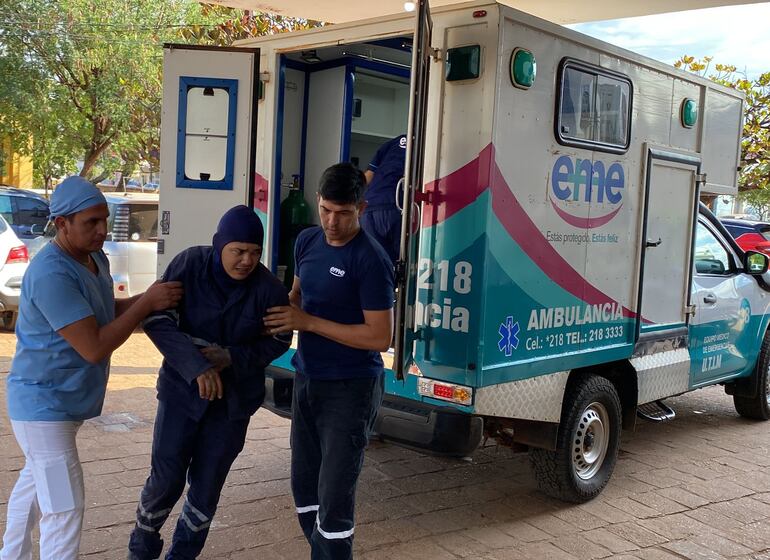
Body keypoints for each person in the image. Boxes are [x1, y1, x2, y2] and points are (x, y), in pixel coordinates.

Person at [0, 176, 183, 560]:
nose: (102, 230)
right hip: (43, 409)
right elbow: (93, 346)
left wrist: (149, 299)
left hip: (61, 405)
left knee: (33, 491)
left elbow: (104, 312)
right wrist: (147, 303)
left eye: (104, 219)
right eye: (91, 223)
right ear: (62, 224)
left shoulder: (93, 258)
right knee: (64, 509)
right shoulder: (52, 273)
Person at [127, 205, 291, 560]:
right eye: (238, 251)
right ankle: (141, 546)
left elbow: (280, 340)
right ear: (219, 246)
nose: (246, 260)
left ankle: (183, 554)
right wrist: (196, 366)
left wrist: (232, 356)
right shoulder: (189, 265)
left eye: (254, 252)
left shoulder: (269, 289)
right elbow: (158, 320)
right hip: (180, 395)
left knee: (206, 486)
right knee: (166, 479)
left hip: (232, 406)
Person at [264, 163, 395, 560]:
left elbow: (379, 337)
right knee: (305, 490)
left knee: (335, 500)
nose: (332, 222)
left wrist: (308, 323)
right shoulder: (306, 242)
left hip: (351, 389)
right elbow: (298, 296)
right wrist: (278, 313)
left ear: (362, 208)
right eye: (325, 210)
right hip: (308, 380)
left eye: (343, 213)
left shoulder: (371, 261)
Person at [361, 133, 406, 265]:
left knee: (376, 264)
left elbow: (367, 177)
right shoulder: (424, 145)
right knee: (402, 265)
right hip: (396, 207)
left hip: (369, 209)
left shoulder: (394, 142)